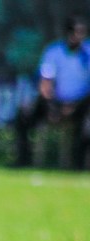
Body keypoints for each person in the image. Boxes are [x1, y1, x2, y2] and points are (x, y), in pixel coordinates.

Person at [14, 14, 90, 169]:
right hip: (55, 103)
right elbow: (45, 83)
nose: (79, 37)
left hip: (83, 104)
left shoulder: (88, 54)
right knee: (24, 112)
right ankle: (23, 161)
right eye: (76, 32)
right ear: (68, 33)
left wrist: (75, 105)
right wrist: (52, 106)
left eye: (82, 33)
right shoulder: (54, 51)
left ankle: (79, 166)